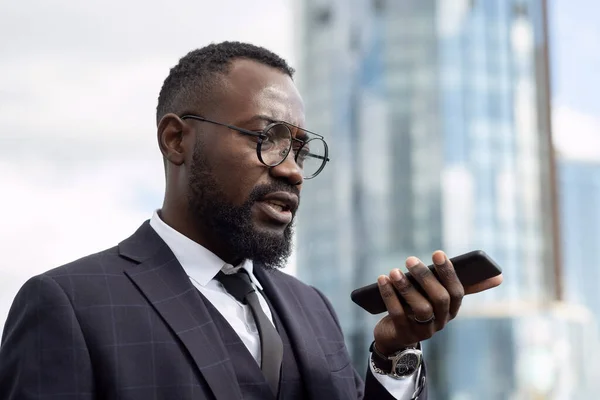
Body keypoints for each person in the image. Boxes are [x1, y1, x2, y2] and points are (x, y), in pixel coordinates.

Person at [0, 41, 502, 400]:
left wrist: (394, 355)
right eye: (267, 138)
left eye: (301, 150)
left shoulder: (311, 308)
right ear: (176, 140)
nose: (291, 169)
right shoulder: (68, 305)